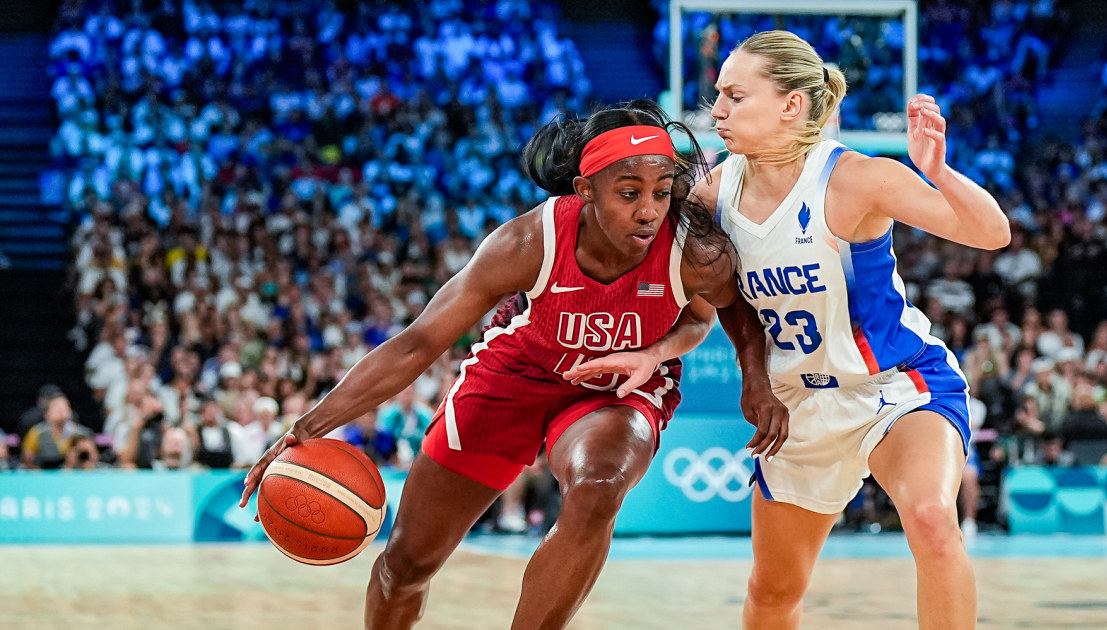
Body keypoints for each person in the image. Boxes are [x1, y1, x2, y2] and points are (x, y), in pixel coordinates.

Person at [239, 100, 784, 630]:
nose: (649, 210)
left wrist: (716, 369)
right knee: (405, 567)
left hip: (617, 389)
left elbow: (724, 308)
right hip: (515, 374)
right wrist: (304, 427)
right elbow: (418, 343)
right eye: (628, 193)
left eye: (662, 193)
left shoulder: (694, 249)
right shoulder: (526, 241)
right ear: (585, 191)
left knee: (598, 487)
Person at [567, 31, 1010, 629]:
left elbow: (992, 234)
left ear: (791, 105)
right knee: (772, 593)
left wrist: (940, 173)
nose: (717, 109)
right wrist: (655, 352)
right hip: (796, 404)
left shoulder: (855, 179)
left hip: (898, 387)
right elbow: (702, 313)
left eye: (735, 95)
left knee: (932, 518)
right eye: (718, 94)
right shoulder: (712, 194)